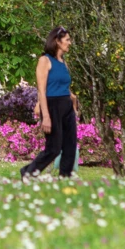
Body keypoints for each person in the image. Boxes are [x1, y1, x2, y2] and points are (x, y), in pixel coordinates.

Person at [21, 26, 79, 179]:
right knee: (54, 148)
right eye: (67, 40)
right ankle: (28, 173)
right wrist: (46, 116)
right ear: (57, 41)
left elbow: (64, 85)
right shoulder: (45, 60)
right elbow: (42, 90)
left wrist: (73, 101)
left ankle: (65, 178)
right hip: (52, 106)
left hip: (66, 106)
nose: (70, 43)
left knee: (70, 146)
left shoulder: (63, 62)